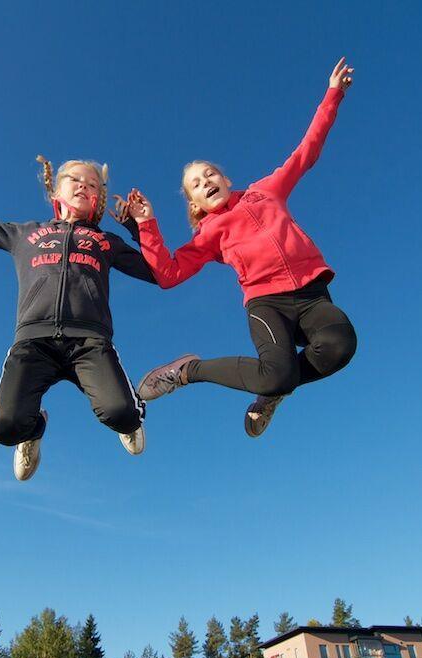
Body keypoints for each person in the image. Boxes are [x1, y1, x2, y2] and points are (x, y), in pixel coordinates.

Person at [120, 58, 358, 437]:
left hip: (312, 293)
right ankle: (187, 371)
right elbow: (168, 274)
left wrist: (333, 95)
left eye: (209, 173)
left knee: (340, 345)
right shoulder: (209, 233)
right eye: (196, 184)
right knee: (276, 374)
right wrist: (147, 224)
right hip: (269, 305)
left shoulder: (267, 190)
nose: (205, 181)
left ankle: (273, 391)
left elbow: (306, 151)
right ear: (195, 203)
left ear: (226, 178)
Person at [0, 139, 155, 480]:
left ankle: (129, 420)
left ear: (98, 200)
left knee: (122, 412)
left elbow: (156, 271)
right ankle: (33, 432)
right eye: (76, 180)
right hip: (34, 343)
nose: (84, 187)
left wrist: (136, 227)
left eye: (92, 185)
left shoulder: (105, 242)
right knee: (5, 427)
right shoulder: (25, 234)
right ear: (55, 192)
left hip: (89, 343)